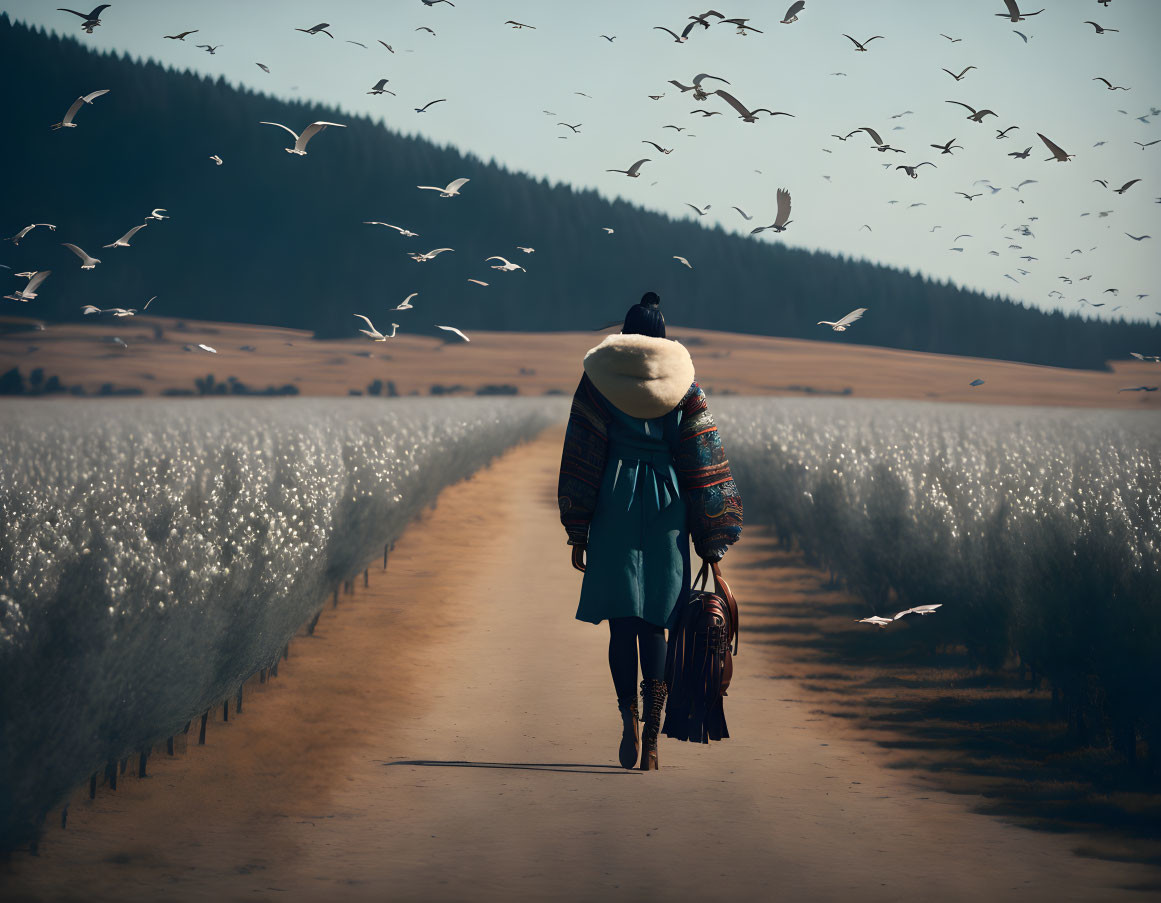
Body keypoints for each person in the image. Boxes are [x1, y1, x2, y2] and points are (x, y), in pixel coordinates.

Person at [557, 292, 743, 770]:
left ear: (624, 331)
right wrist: (712, 542)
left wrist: (578, 528)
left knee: (623, 623)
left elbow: (582, 454)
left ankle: (627, 721)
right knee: (658, 623)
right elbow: (704, 462)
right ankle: (653, 736)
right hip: (667, 506)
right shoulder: (685, 384)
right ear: (663, 335)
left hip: (615, 505)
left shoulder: (598, 379)